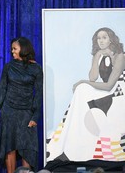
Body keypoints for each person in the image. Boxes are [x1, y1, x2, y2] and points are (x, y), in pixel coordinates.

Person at [46, 27, 125, 162]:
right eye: (98, 38)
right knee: (81, 89)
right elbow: (93, 78)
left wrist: (83, 81)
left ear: (111, 39)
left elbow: (109, 85)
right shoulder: (99, 54)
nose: (101, 41)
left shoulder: (120, 56)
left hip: (119, 92)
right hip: (108, 91)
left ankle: (77, 142)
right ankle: (73, 139)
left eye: (104, 37)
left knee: (82, 86)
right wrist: (97, 57)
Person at [0, 37, 43, 173]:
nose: (12, 51)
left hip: (26, 112)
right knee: (9, 146)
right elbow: (1, 90)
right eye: (12, 48)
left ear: (23, 49)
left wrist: (35, 116)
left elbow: (39, 93)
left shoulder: (36, 68)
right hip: (9, 111)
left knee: (26, 148)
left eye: (15, 49)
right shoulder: (8, 67)